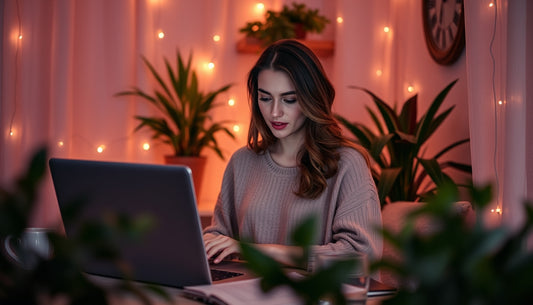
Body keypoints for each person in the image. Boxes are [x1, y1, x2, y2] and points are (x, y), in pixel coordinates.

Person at [203, 39, 382, 272]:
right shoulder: (242, 161)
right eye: (265, 98)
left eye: (289, 99)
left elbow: (360, 258)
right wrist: (208, 243)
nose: (275, 112)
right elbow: (220, 235)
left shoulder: (348, 164)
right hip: (245, 293)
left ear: (312, 99)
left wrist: (261, 251)